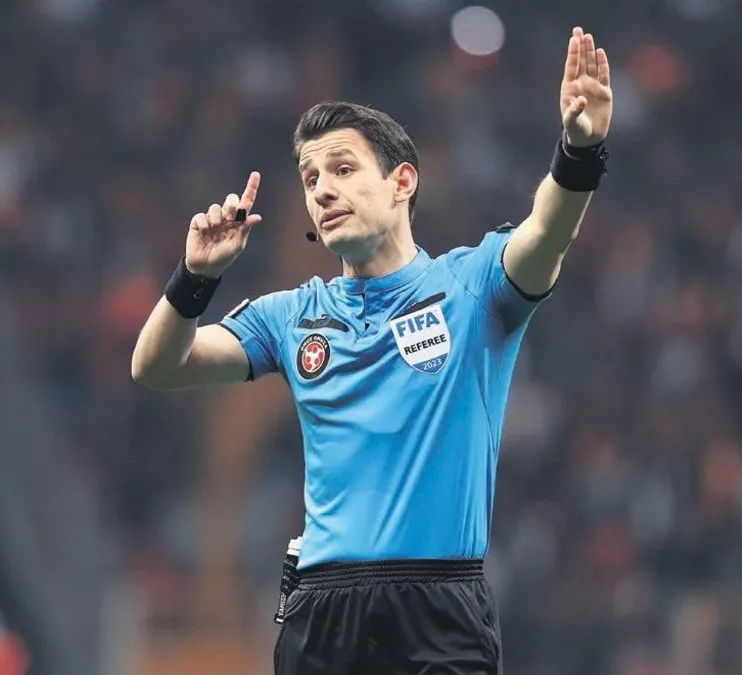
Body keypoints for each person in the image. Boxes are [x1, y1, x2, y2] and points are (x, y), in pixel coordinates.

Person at [131, 26, 613, 675]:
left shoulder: (472, 286)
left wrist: (579, 150)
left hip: (438, 610)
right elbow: (157, 366)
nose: (322, 190)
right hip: (322, 613)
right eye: (310, 179)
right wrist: (195, 277)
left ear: (401, 181)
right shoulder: (291, 315)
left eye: (343, 168)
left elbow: (548, 232)